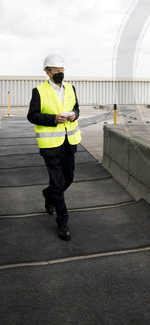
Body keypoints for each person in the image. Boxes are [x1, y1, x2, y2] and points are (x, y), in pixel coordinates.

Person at [27, 54, 81, 241]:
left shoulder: (70, 88)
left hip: (69, 141)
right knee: (58, 182)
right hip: (50, 143)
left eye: (62, 70)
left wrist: (74, 115)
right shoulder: (39, 91)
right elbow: (32, 116)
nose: (60, 73)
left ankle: (48, 193)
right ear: (47, 72)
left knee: (69, 178)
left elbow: (76, 109)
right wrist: (53, 119)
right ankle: (62, 222)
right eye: (56, 70)